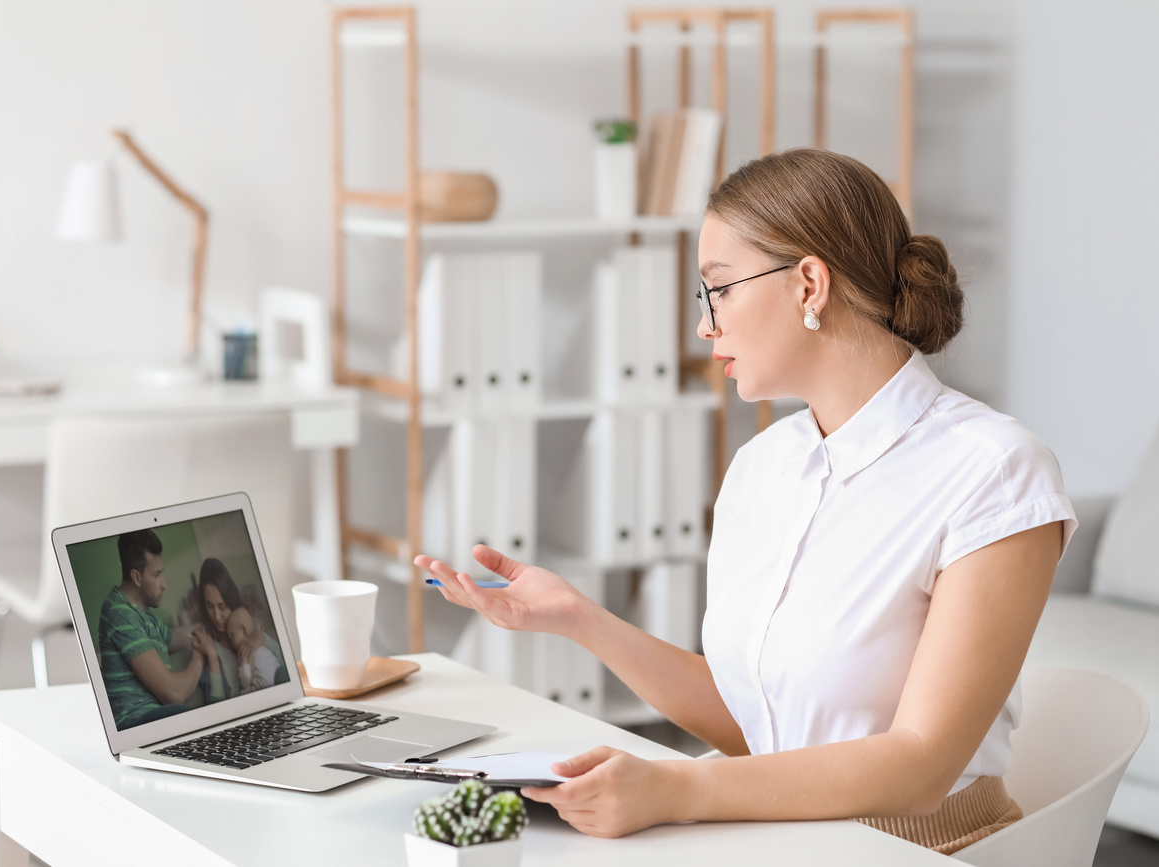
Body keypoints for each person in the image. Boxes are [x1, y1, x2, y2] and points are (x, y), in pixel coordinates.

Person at [413, 148, 1075, 853]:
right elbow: (759, 725)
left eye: (720, 289)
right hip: (779, 837)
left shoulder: (994, 470)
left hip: (926, 850)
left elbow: (921, 767)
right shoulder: (763, 465)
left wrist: (676, 789)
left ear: (809, 284)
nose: (706, 326)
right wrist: (579, 618)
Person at [98, 529, 214, 728]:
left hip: (157, 717)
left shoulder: (144, 613)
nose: (164, 585)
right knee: (206, 722)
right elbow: (174, 694)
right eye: (157, 575)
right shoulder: (119, 613)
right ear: (137, 577)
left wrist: (205, 636)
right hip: (137, 723)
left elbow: (177, 639)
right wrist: (199, 657)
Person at [196, 557, 287, 700]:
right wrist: (212, 656)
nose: (217, 617)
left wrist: (261, 637)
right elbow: (215, 703)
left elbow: (285, 669)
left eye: (222, 606)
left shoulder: (250, 626)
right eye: (209, 606)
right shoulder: (208, 644)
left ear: (231, 600)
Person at [225, 606, 280, 694]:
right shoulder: (262, 647)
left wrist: (243, 665)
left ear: (244, 630)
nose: (231, 643)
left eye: (232, 636)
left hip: (264, 685)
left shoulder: (245, 653)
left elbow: (246, 683)